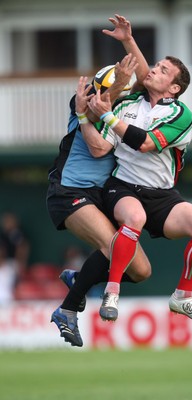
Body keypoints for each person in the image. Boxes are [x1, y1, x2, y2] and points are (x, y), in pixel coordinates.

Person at [80, 15, 192, 325]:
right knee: (135, 218)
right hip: (123, 187)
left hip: (162, 195)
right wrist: (127, 40)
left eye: (163, 70)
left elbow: (145, 143)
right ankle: (112, 291)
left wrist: (107, 118)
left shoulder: (181, 115)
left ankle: (183, 296)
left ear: (174, 88)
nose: (154, 70)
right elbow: (101, 145)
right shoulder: (129, 101)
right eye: (155, 66)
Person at [47, 51, 151, 347]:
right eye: (107, 88)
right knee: (112, 247)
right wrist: (118, 84)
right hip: (69, 192)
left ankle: (81, 278)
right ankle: (67, 310)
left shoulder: (122, 112)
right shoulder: (83, 101)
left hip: (99, 196)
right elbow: (93, 114)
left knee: (141, 271)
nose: (106, 94)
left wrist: (130, 44)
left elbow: (146, 85)